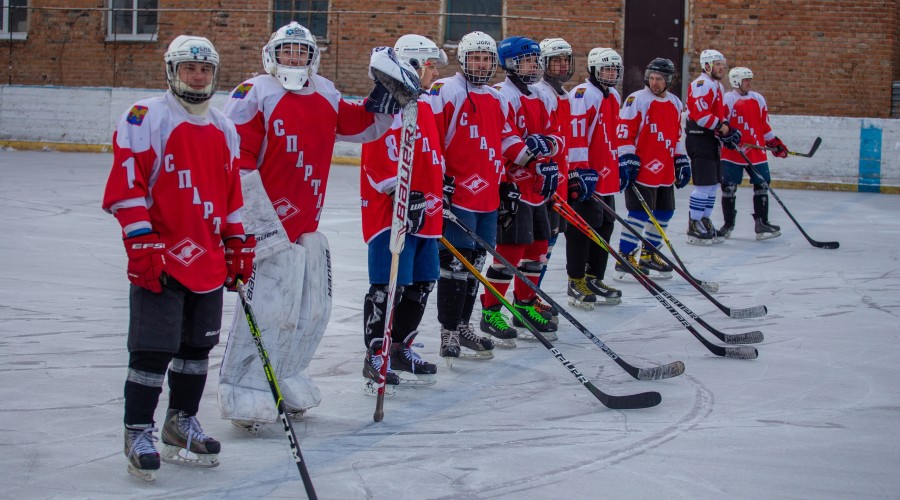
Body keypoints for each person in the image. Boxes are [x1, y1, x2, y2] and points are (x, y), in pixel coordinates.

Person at [219, 22, 395, 433]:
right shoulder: (253, 93)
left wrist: (385, 97)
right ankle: (243, 385)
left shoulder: (325, 91)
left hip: (306, 222)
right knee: (267, 309)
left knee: (310, 309)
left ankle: (287, 372)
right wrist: (252, 222)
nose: (295, 59)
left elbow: (358, 125)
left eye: (302, 51)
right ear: (272, 54)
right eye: (288, 51)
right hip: (266, 224)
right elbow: (235, 160)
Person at [102, 35, 252, 481]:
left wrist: (238, 242)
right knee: (152, 349)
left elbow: (231, 195)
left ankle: (179, 420)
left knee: (196, 349)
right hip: (162, 255)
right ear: (172, 71)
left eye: (205, 69)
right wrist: (140, 238)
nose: (198, 76)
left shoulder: (225, 127)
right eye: (189, 68)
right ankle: (137, 429)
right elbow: (126, 183)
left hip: (205, 255)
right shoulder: (146, 116)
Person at [429, 31, 549, 355]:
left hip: (487, 197)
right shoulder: (446, 91)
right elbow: (433, 139)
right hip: (459, 195)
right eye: (475, 58)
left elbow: (502, 143)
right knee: (455, 265)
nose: (481, 64)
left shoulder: (495, 98)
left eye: (486, 59)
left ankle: (465, 327)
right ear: (463, 59)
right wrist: (437, 181)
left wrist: (508, 184)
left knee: (477, 265)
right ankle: (449, 332)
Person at [359, 34, 452, 388]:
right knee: (389, 286)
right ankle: (376, 355)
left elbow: (428, 153)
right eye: (431, 67)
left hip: (426, 212)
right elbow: (376, 157)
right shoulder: (390, 103)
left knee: (423, 282)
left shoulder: (423, 105)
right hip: (391, 214)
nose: (435, 75)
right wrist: (401, 191)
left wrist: (440, 185)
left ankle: (400, 348)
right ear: (414, 66)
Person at [481, 35, 561, 341]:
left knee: (538, 248)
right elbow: (503, 138)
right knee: (510, 252)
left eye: (535, 59)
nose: (533, 65)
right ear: (511, 64)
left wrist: (548, 152)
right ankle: (490, 311)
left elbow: (555, 133)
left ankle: (524, 303)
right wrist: (535, 159)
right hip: (513, 186)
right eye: (527, 60)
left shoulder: (541, 95)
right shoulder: (503, 95)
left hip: (537, 188)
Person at [614, 58, 688, 280]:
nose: (655, 83)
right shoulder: (637, 99)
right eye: (652, 78)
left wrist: (681, 159)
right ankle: (625, 258)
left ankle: (649, 254)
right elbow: (624, 132)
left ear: (669, 81)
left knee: (665, 211)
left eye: (660, 79)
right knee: (638, 213)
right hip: (642, 168)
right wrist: (627, 158)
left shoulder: (675, 103)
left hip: (664, 169)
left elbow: (676, 135)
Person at [564, 47, 625, 308]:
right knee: (581, 229)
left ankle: (593, 277)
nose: (610, 74)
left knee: (605, 226)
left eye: (614, 69)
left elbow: (613, 135)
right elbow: (576, 133)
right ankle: (575, 280)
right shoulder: (583, 94)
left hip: (606, 174)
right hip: (586, 176)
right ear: (593, 70)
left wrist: (620, 163)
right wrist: (579, 170)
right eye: (605, 69)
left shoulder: (614, 96)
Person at [531, 37, 576, 322]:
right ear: (544, 64)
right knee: (533, 245)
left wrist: (570, 173)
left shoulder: (564, 95)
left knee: (548, 244)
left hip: (557, 181)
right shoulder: (538, 92)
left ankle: (532, 293)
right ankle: (524, 297)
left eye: (565, 60)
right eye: (555, 61)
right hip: (539, 182)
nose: (561, 66)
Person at [720, 66, 787, 239]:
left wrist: (773, 142)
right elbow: (722, 124)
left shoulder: (758, 99)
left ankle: (761, 224)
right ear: (736, 81)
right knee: (728, 187)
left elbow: (764, 125)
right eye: (746, 80)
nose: (749, 82)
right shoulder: (728, 99)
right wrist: (725, 138)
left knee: (762, 185)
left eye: (750, 79)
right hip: (734, 151)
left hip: (756, 151)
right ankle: (728, 225)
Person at [685, 49, 742, 245]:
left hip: (710, 138)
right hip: (699, 137)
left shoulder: (716, 86)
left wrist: (727, 131)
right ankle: (694, 224)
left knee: (712, 185)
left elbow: (718, 115)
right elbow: (701, 116)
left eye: (723, 65)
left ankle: (704, 219)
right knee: (703, 185)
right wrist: (723, 128)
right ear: (707, 65)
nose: (722, 68)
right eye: (718, 64)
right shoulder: (702, 84)